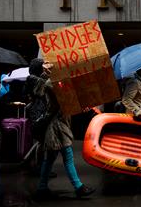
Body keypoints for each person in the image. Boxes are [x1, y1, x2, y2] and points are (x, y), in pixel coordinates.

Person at [25, 58, 95, 199]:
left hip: (58, 123)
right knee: (68, 156)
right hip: (56, 125)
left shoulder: (49, 82)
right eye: (46, 63)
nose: (50, 63)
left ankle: (42, 188)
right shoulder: (49, 83)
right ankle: (78, 187)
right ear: (42, 68)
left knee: (50, 158)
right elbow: (65, 98)